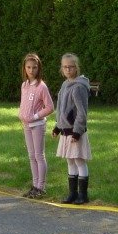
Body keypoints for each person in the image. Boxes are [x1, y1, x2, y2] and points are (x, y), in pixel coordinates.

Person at [52, 53, 92, 204]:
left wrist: (77, 131)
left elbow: (81, 112)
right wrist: (58, 127)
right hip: (66, 132)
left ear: (76, 67)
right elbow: (62, 109)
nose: (68, 69)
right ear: (61, 69)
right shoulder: (65, 85)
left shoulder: (79, 87)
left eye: (71, 67)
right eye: (65, 67)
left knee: (79, 161)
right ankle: (72, 194)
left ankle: (83, 195)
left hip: (75, 132)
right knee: (70, 161)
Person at [18, 52, 54, 198]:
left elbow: (50, 107)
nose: (31, 70)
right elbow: (24, 104)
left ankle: (41, 187)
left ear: (39, 68)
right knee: (31, 156)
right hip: (26, 125)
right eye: (28, 67)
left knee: (39, 155)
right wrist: (22, 115)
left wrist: (35, 116)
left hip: (37, 125)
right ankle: (34, 186)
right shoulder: (24, 85)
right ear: (24, 68)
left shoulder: (41, 86)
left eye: (34, 67)